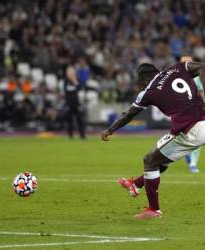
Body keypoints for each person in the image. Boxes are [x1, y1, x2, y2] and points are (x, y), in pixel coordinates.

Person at [101, 61, 205, 220]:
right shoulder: (177, 67)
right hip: (201, 121)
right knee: (160, 159)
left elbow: (128, 114)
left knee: (150, 161)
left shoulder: (148, 91)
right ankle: (136, 184)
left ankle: (154, 209)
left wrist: (110, 130)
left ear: (143, 79)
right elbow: (200, 66)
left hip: (190, 129)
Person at [180, 56, 204, 173]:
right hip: (182, 112)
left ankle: (193, 164)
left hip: (196, 111)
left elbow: (201, 93)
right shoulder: (176, 78)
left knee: (199, 136)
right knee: (184, 136)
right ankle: (187, 153)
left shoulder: (197, 78)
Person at [64, 64, 86, 139]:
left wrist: (74, 81)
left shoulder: (77, 81)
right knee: (69, 121)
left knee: (80, 120)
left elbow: (80, 88)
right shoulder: (66, 81)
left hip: (77, 103)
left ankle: (82, 135)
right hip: (69, 104)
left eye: (71, 72)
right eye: (69, 72)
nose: (70, 74)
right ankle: (70, 136)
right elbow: (66, 91)